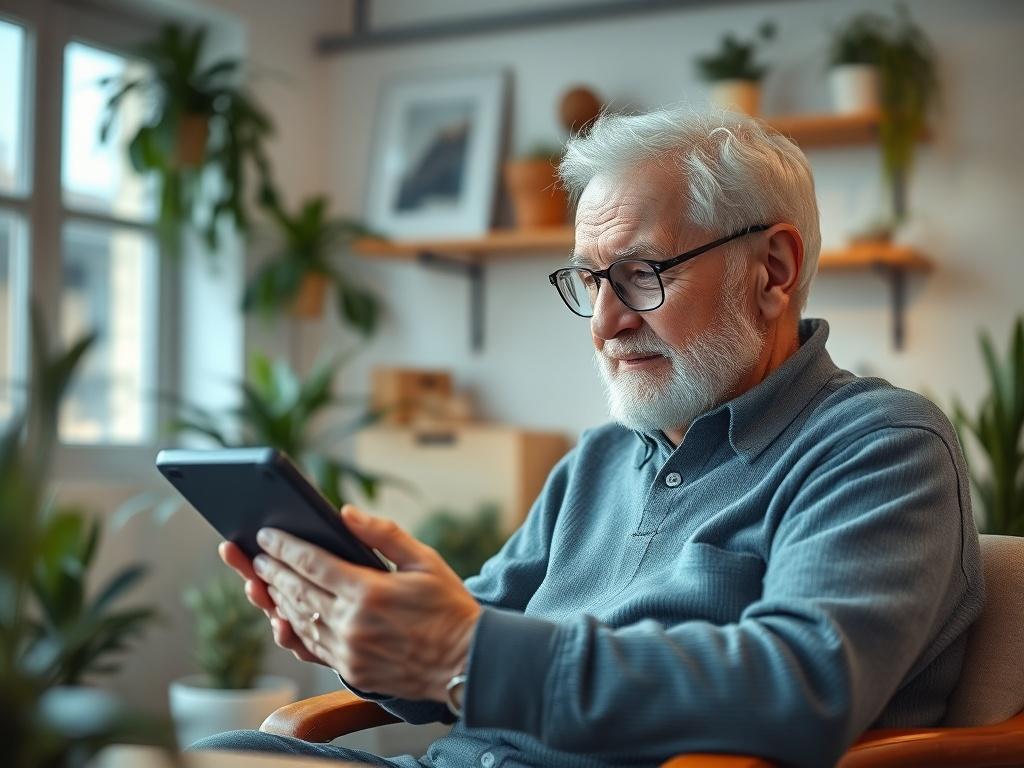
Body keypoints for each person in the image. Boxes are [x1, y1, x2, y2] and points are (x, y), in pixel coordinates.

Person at [190, 108, 984, 768]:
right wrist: (364, 629)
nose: (605, 323)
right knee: (226, 755)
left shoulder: (880, 445)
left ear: (773, 270)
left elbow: (804, 687)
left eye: (643, 274)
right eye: (590, 280)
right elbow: (466, 649)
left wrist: (461, 651)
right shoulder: (600, 459)